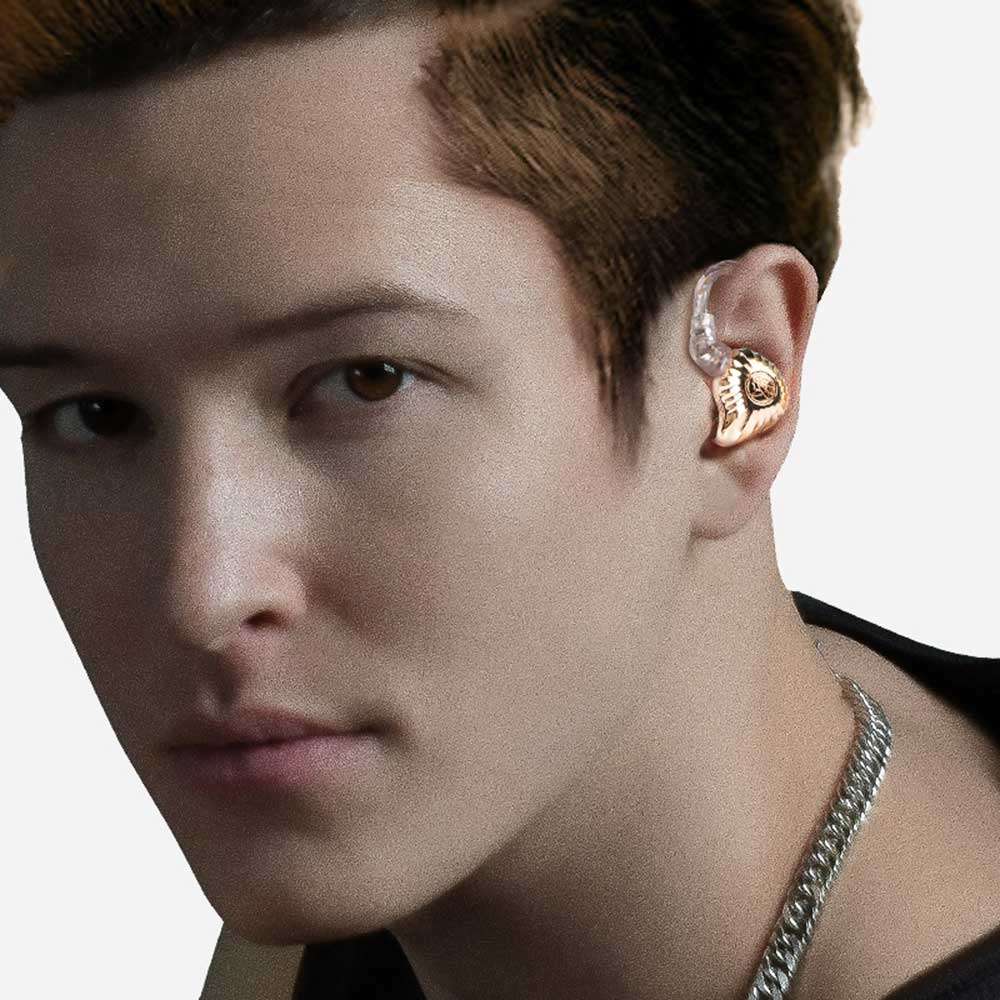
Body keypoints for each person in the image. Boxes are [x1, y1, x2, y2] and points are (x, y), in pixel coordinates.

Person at [0, 2, 997, 998]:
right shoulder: (391, 831)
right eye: (96, 415)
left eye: (366, 380)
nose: (200, 596)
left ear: (735, 380)